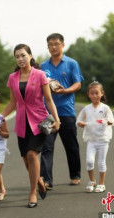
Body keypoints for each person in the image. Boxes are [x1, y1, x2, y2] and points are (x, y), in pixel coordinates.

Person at [1, 44, 60, 208]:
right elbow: (12, 102)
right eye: (17, 56)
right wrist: (0, 117)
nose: (20, 59)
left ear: (30, 56)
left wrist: (57, 119)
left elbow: (49, 99)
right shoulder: (12, 77)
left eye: (23, 55)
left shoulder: (40, 75)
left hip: (39, 121)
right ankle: (39, 181)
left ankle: (32, 192)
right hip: (21, 122)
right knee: (26, 159)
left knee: (32, 154)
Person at [40, 33, 84, 189]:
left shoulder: (71, 63)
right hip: (48, 114)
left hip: (66, 112)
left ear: (63, 45)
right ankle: (46, 180)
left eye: (56, 44)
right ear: (47, 46)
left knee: (71, 146)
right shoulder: (43, 66)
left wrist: (66, 91)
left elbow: (78, 84)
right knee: (46, 146)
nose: (53, 47)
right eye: (50, 44)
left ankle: (75, 175)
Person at [76, 81, 114, 192]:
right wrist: (80, 123)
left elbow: (111, 120)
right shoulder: (86, 108)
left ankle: (101, 183)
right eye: (92, 93)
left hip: (103, 139)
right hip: (91, 140)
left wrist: (108, 122)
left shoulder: (106, 108)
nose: (94, 95)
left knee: (101, 162)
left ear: (101, 93)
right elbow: (79, 120)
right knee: (89, 161)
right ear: (88, 94)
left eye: (96, 93)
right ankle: (92, 181)